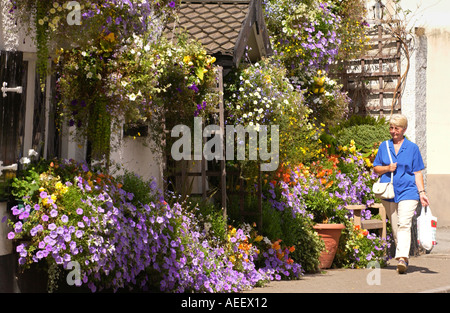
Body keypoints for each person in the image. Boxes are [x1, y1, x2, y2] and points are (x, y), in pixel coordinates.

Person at [373, 114, 430, 274]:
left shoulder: (412, 148)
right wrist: (387, 168)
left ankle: (402, 258)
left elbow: (417, 172)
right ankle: (403, 256)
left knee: (404, 223)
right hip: (389, 192)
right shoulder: (384, 146)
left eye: (396, 128)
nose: (393, 131)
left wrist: (422, 192)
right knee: (396, 226)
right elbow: (376, 167)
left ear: (404, 129)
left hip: (408, 191)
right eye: (391, 128)